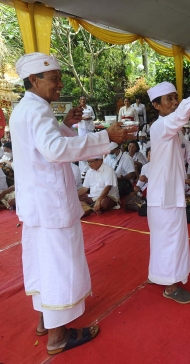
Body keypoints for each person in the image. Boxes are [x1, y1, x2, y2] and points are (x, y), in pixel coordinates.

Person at [11, 52, 132, 355]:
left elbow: (45, 145)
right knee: (57, 267)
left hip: (39, 205)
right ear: (34, 80)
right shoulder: (37, 110)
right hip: (51, 206)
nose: (60, 84)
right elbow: (53, 150)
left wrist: (65, 124)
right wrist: (106, 137)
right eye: (54, 79)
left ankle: (45, 322)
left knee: (43, 264)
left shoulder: (26, 108)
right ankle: (57, 337)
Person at [146, 80, 190, 303]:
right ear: (156, 105)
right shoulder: (161, 126)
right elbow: (180, 116)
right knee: (169, 240)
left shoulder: (176, 133)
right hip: (163, 196)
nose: (175, 102)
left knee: (169, 239)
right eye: (170, 99)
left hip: (173, 194)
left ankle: (161, 275)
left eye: (176, 97)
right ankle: (169, 286)